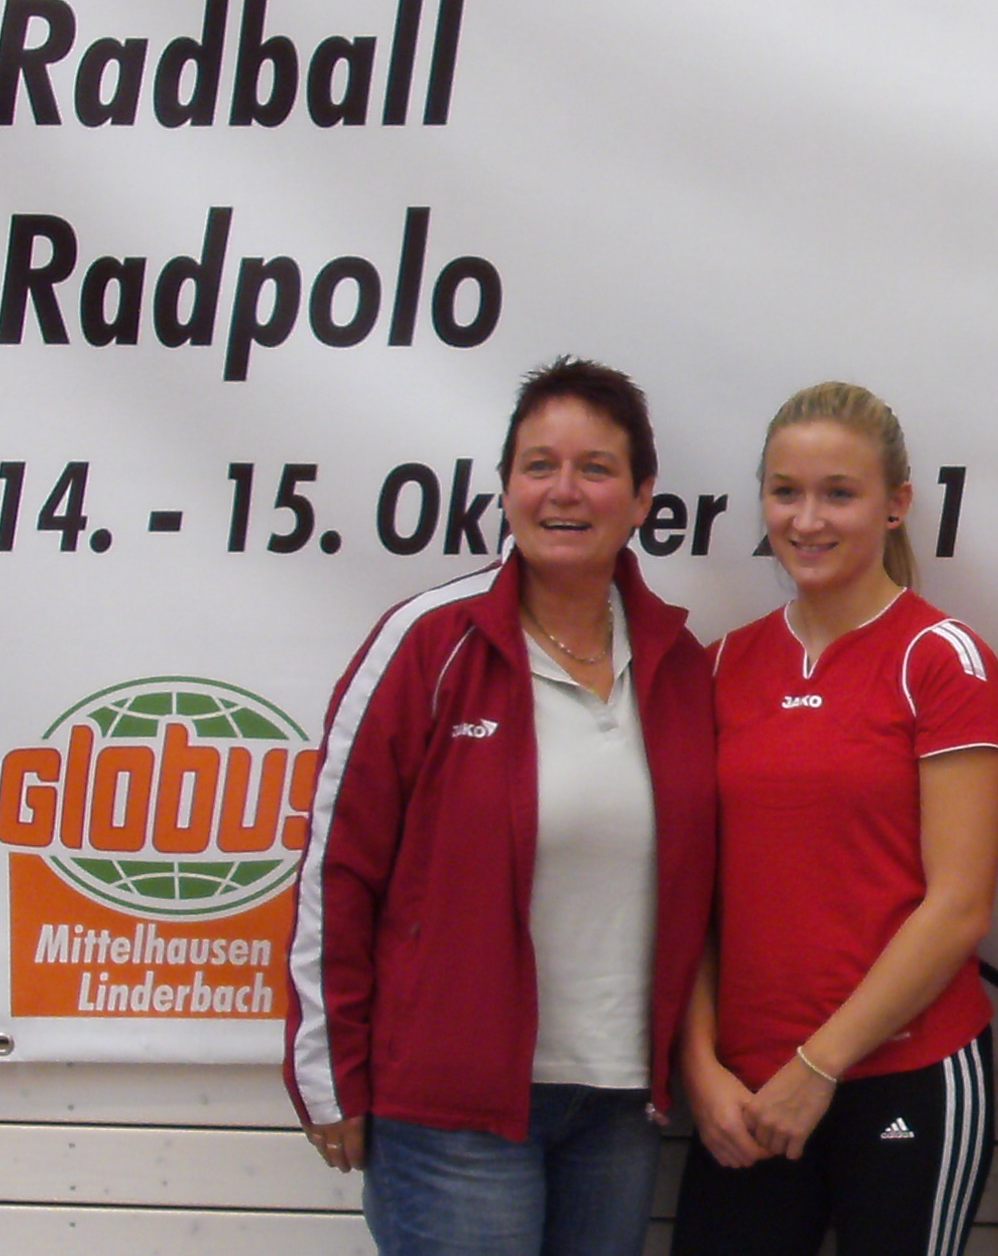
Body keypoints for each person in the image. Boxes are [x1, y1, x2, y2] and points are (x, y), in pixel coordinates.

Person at [285, 357, 716, 1256]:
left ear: (643, 497)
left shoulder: (680, 664)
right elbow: (338, 869)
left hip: (618, 1105)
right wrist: (328, 1073)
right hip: (452, 1112)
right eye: (538, 465)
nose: (564, 490)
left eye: (596, 468)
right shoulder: (428, 642)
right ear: (507, 486)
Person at [677, 383, 998, 1256]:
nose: (808, 519)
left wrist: (818, 1064)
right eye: (785, 491)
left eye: (839, 493)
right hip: (744, 1092)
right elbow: (693, 903)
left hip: (906, 1071)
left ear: (896, 504)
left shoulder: (943, 659)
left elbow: (959, 905)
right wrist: (699, 1064)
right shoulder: (719, 667)